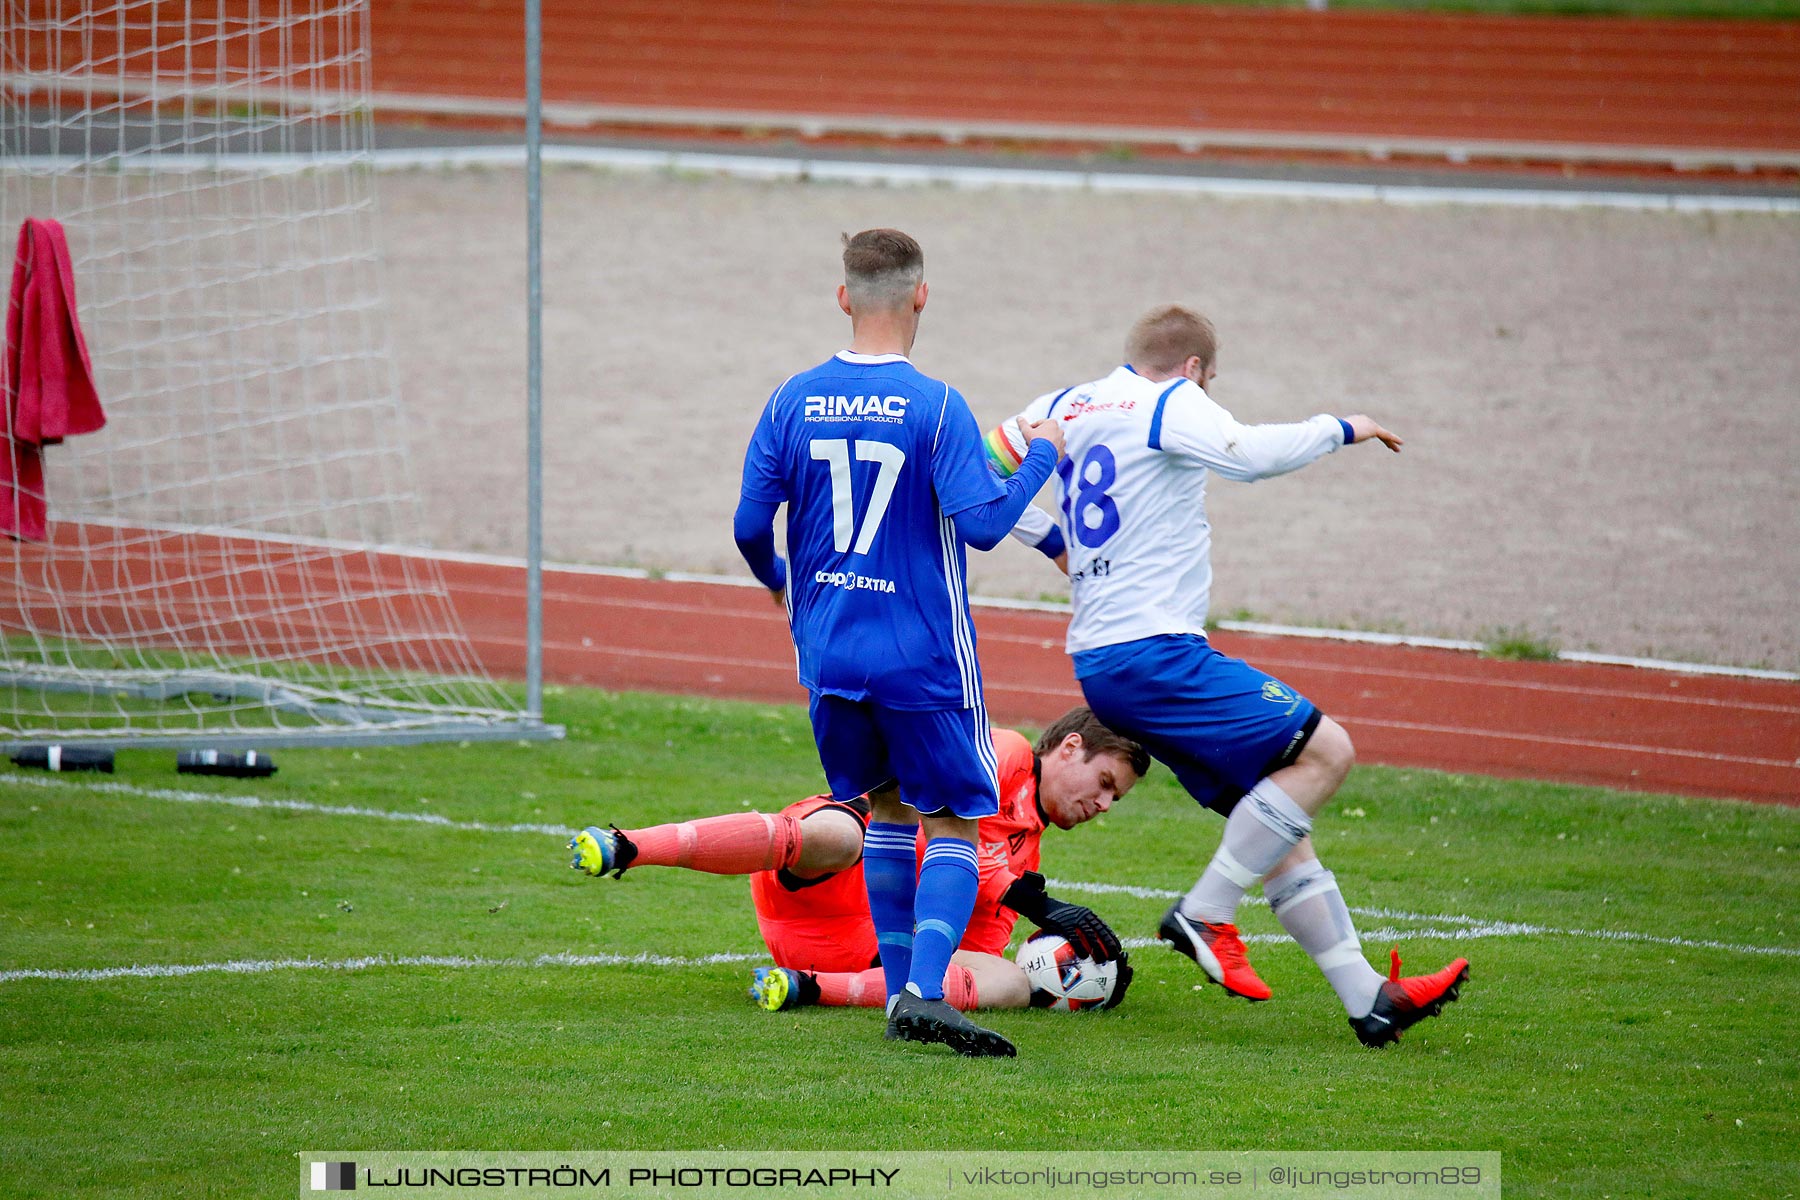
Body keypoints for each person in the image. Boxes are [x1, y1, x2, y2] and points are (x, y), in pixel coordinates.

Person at [983, 304, 1468, 1048]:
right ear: (1194, 370)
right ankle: (1205, 911)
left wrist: (1055, 542)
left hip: (1106, 660)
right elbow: (1246, 454)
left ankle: (1372, 998)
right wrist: (1346, 426)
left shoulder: (1060, 405)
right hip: (1157, 652)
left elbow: (979, 478)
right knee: (1328, 751)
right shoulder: (1170, 401)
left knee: (1276, 822)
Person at [629, 228, 1063, 1057]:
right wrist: (1042, 456)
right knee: (958, 824)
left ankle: (903, 995)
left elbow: (751, 525)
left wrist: (783, 588)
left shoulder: (792, 397)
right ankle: (924, 993)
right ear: (921, 296)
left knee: (889, 812)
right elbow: (981, 526)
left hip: (829, 649)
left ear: (842, 298)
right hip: (921, 653)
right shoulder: (937, 404)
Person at [568, 707, 1149, 1013]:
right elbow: (937, 826)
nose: (1101, 804)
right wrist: (1033, 900)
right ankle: (631, 845)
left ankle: (808, 989)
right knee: (839, 834)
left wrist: (1064, 974)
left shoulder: (1029, 855)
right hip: (828, 873)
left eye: (1113, 799)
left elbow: (963, 951)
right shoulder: (1009, 753)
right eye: (1103, 783)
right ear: (1069, 747)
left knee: (1009, 981)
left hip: (851, 949)